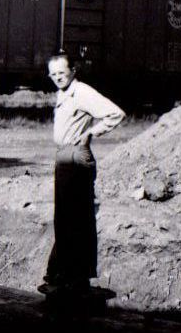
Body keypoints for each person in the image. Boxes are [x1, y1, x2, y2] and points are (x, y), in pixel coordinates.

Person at [39, 52, 125, 302]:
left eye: (61, 73)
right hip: (64, 156)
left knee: (76, 218)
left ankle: (74, 278)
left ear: (73, 71)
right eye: (53, 74)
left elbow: (115, 113)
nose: (57, 77)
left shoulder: (82, 92)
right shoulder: (64, 93)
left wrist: (91, 133)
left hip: (76, 157)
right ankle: (62, 275)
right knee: (65, 218)